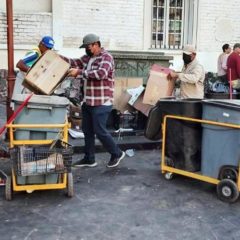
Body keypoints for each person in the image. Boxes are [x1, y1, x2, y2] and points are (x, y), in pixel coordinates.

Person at [63, 33, 125, 168]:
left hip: (101, 102)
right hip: (88, 101)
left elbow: (100, 74)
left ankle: (117, 153)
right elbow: (74, 62)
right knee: (87, 131)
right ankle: (89, 158)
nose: (86, 49)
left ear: (96, 45)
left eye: (88, 47)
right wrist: (55, 57)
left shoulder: (106, 57)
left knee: (100, 130)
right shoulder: (88, 58)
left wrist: (79, 72)